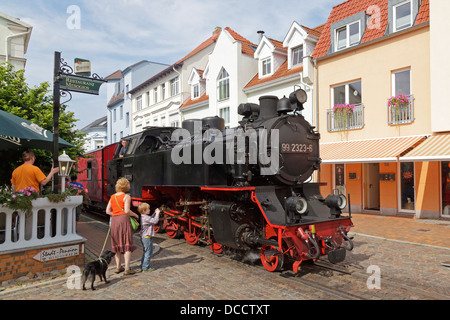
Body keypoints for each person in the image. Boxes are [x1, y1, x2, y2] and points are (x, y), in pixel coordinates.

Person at [105, 177, 140, 275]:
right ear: (126, 186)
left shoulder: (112, 197)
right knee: (127, 243)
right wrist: (136, 215)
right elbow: (127, 211)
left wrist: (116, 214)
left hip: (115, 221)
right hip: (124, 220)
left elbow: (108, 211)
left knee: (117, 244)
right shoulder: (126, 197)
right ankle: (127, 268)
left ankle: (118, 267)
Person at [138, 203, 160, 272]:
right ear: (144, 211)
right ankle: (145, 268)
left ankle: (143, 265)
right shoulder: (146, 218)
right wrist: (157, 214)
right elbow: (155, 221)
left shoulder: (144, 216)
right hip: (147, 238)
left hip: (144, 237)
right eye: (148, 209)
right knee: (148, 252)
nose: (149, 210)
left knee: (145, 252)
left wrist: (154, 213)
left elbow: (151, 218)